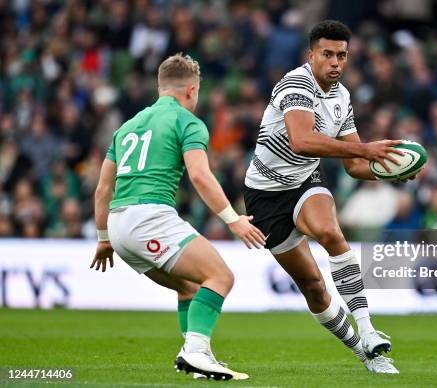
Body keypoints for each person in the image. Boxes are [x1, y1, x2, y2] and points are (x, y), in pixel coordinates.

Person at [244, 20, 409, 374]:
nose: (335, 62)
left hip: (305, 181)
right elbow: (301, 140)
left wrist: (392, 170)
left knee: (331, 232)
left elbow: (353, 165)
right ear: (312, 55)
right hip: (265, 195)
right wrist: (368, 150)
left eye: (342, 56)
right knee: (313, 287)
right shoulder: (295, 84)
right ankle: (362, 351)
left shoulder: (342, 97)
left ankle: (368, 332)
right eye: (328, 54)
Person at [90, 53, 265, 381]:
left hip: (118, 224)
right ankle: (195, 351)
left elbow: (102, 190)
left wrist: (103, 239)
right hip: (149, 216)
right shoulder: (188, 121)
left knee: (188, 286)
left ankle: (199, 362)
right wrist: (233, 219)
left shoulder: (127, 126)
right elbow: (200, 176)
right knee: (221, 277)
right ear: (192, 90)